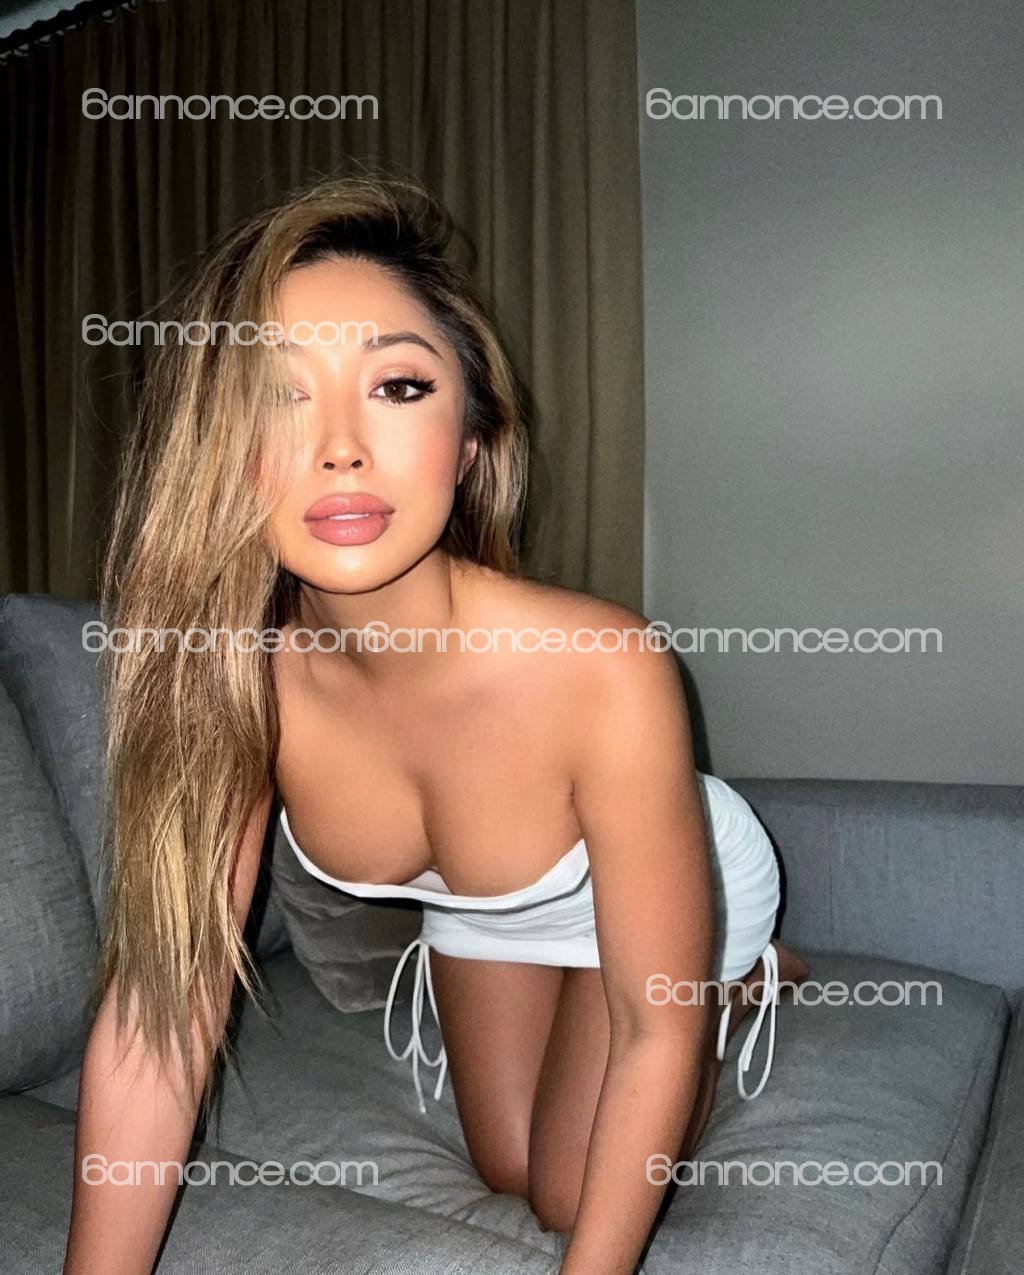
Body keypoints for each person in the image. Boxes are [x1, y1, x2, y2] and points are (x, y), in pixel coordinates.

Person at [64, 173, 809, 1275]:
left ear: (467, 441)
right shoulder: (233, 681)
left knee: (566, 1192)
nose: (340, 446)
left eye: (399, 386)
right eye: (276, 394)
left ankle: (738, 978)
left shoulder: (604, 666)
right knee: (503, 1164)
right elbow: (159, 1016)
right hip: (483, 908)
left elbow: (653, 1030)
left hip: (654, 864)